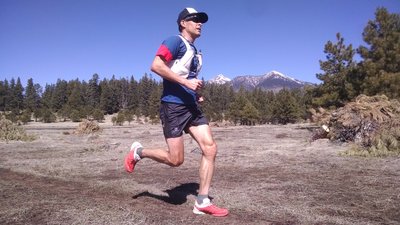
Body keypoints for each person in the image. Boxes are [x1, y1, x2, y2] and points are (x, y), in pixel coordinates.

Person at [124, 7, 229, 217]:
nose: (200, 23)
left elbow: (187, 76)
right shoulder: (175, 41)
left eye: (201, 21)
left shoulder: (196, 53)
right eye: (195, 20)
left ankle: (202, 201)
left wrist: (196, 92)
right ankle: (139, 152)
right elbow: (156, 66)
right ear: (183, 23)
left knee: (210, 148)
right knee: (175, 160)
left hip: (191, 106)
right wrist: (186, 84)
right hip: (173, 106)